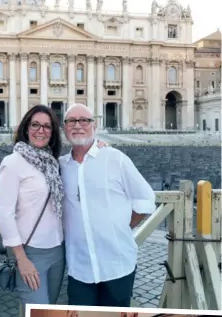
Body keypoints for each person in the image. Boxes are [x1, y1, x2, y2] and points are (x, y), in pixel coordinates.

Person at [60, 103, 156, 307]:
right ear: (64, 128)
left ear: (94, 125)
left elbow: (146, 199)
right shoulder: (60, 166)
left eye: (84, 120)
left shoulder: (115, 158)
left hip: (117, 264)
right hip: (79, 268)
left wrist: (123, 225)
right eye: (71, 121)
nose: (78, 125)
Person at [0, 104, 66, 310]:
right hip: (30, 253)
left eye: (46, 126)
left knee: (50, 309)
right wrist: (21, 259)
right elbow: (5, 215)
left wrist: (99, 145)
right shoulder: (12, 163)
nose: (40, 130)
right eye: (35, 124)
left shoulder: (54, 163)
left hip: (58, 251)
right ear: (26, 128)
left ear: (52, 132)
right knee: (38, 312)